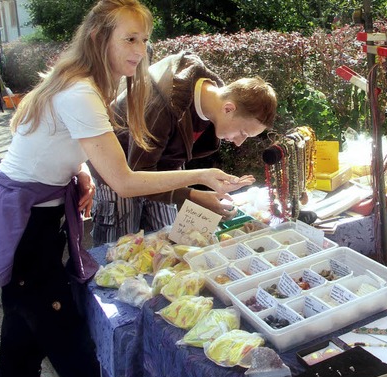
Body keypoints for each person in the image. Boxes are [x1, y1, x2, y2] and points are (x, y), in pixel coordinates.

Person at [0, 1, 254, 377]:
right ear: (98, 37)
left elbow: (58, 147)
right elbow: (123, 182)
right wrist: (202, 175)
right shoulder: (80, 92)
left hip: (36, 215)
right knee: (72, 348)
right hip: (26, 224)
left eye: (144, 39)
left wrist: (82, 172)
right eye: (129, 39)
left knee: (22, 340)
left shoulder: (86, 81)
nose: (140, 50)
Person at [90, 51, 277, 246]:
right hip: (117, 175)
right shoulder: (162, 104)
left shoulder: (211, 104)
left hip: (160, 168)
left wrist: (193, 195)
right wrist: (193, 194)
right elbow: (135, 177)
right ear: (228, 109)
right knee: (118, 251)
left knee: (168, 242)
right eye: (243, 132)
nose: (239, 142)